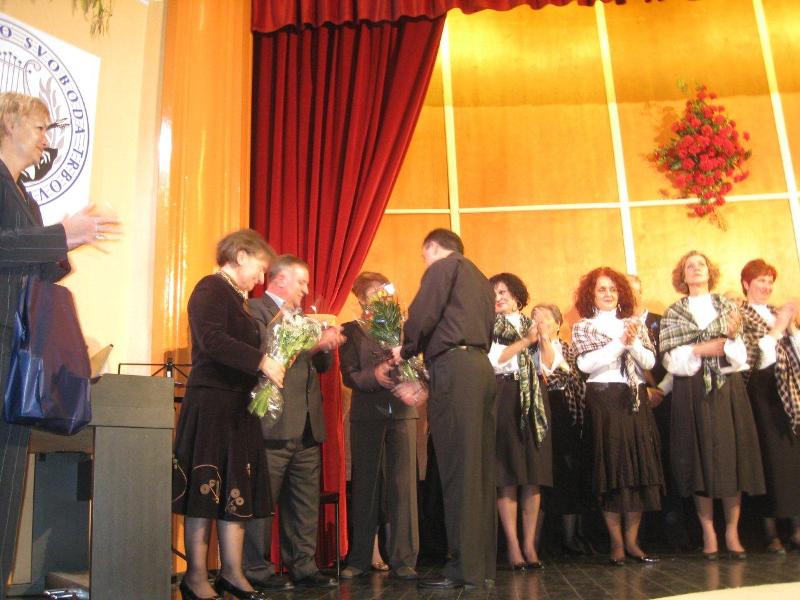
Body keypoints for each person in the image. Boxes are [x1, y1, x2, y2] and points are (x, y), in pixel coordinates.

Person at [0, 92, 118, 600]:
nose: (46, 141)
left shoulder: (25, 196)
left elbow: (35, 270)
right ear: (9, 123)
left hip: (18, 351)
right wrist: (59, 235)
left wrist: (70, 242)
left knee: (8, 483)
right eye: (40, 128)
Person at [171, 229, 280, 600]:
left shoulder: (237, 298)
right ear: (241, 255)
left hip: (236, 407)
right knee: (206, 491)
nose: (260, 278)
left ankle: (232, 572)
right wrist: (261, 361)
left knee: (235, 489)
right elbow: (213, 340)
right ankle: (196, 576)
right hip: (212, 405)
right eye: (260, 268)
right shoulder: (210, 288)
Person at [391, 228, 496, 589]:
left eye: (424, 256)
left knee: (457, 470)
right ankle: (481, 565)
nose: (425, 263)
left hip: (455, 370)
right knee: (479, 471)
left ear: (433, 247)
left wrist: (404, 349)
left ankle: (462, 569)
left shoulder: (443, 267)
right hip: (481, 368)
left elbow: (423, 314)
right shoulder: (481, 279)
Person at [243, 255, 345, 590]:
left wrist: (327, 345)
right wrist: (315, 343)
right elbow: (265, 350)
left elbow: (321, 367)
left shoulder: (303, 318)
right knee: (262, 501)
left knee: (304, 501)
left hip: (307, 425)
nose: (305, 289)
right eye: (301, 282)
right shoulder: (255, 311)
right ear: (280, 279)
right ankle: (256, 569)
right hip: (273, 423)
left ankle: (303, 565)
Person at [660, 250, 765, 560]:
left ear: (710, 271)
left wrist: (729, 339)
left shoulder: (728, 307)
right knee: (698, 461)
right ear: (682, 275)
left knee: (731, 459)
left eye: (701, 265)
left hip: (726, 388)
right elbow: (671, 360)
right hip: (690, 390)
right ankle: (708, 533)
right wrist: (704, 348)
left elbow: (741, 357)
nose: (696, 269)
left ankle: (732, 531)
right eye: (689, 266)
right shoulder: (674, 312)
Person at [571, 267, 664, 566]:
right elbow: (586, 365)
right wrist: (619, 342)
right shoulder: (584, 327)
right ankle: (616, 543)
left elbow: (649, 360)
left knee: (637, 470)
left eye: (612, 289)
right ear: (591, 294)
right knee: (611, 469)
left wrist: (632, 340)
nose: (608, 294)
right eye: (602, 289)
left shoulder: (633, 323)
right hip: (604, 399)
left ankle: (633, 541)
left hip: (634, 397)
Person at [339, 271, 419, 580]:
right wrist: (375, 375)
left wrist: (409, 373)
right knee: (366, 485)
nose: (381, 298)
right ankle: (359, 558)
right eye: (373, 293)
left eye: (384, 292)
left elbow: (418, 365)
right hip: (367, 413)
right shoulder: (351, 331)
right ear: (360, 299)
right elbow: (350, 375)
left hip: (402, 411)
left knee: (403, 487)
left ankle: (404, 559)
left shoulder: (403, 328)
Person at [487, 273, 553, 570]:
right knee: (508, 475)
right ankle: (513, 546)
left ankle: (530, 544)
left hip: (534, 399)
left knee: (533, 474)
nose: (499, 297)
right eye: (494, 293)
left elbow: (548, 365)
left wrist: (544, 337)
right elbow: (497, 360)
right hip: (505, 396)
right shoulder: (488, 325)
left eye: (504, 292)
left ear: (516, 296)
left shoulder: (532, 323)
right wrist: (527, 341)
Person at [739, 259, 800, 554]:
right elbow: (757, 359)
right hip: (761, 391)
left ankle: (797, 529)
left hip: (790, 392)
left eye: (769, 281)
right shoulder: (742, 315)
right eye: (760, 280)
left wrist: (792, 327)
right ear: (746, 284)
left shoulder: (779, 314)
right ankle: (770, 532)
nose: (766, 286)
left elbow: (796, 353)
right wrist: (777, 329)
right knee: (770, 460)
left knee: (794, 458)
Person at [532, 303, 589, 556]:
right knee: (538, 478)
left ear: (557, 324)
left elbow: (570, 376)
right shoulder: (528, 350)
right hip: (538, 414)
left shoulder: (568, 349)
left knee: (569, 475)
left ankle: (570, 538)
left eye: (545, 318)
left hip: (565, 415)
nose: (540, 323)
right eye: (535, 319)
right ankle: (534, 542)